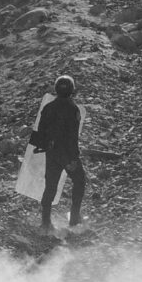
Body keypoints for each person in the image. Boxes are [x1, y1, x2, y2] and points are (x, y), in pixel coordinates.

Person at [28, 74, 85, 231]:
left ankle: (46, 222)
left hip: (52, 153)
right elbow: (72, 137)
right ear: (72, 90)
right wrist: (73, 158)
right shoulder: (73, 109)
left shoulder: (47, 108)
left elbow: (40, 133)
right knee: (80, 181)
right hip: (67, 154)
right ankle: (74, 219)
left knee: (50, 187)